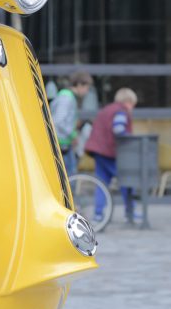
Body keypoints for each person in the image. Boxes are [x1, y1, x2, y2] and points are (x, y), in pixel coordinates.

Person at [84, 87, 138, 223]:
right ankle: (130, 212)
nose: (133, 108)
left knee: (101, 183)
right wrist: (130, 139)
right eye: (133, 104)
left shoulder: (106, 110)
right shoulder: (121, 111)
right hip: (110, 152)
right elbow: (118, 129)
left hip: (98, 151)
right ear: (128, 101)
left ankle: (98, 215)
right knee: (127, 180)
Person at [51, 71, 93, 179]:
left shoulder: (68, 97)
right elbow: (58, 120)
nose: (87, 92)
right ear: (79, 85)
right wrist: (72, 135)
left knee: (70, 177)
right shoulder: (66, 98)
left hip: (64, 144)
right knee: (69, 178)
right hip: (61, 145)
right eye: (87, 88)